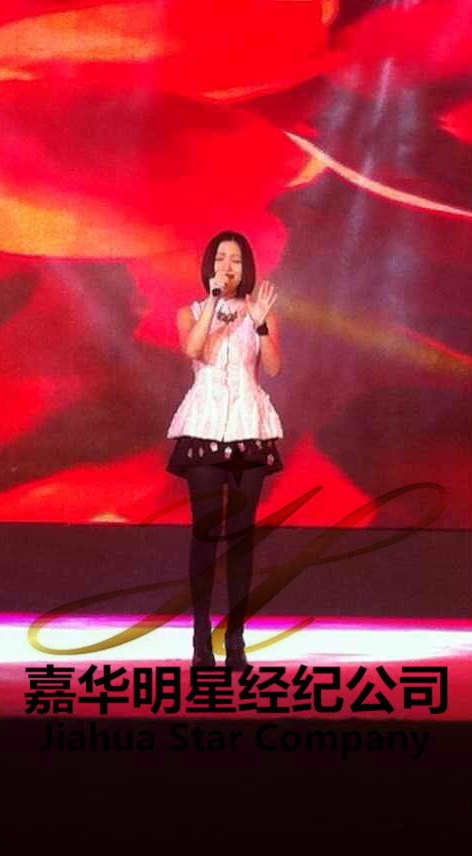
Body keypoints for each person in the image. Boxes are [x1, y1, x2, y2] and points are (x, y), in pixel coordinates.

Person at [166, 230, 283, 670]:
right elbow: (193, 350)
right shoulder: (192, 312)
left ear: (245, 266)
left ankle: (236, 639)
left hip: (249, 428)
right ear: (210, 266)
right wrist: (214, 305)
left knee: (241, 536)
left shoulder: (261, 313)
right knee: (205, 533)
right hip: (205, 427)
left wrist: (262, 323)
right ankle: (201, 639)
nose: (227, 266)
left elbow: (274, 367)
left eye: (235, 259)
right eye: (220, 259)